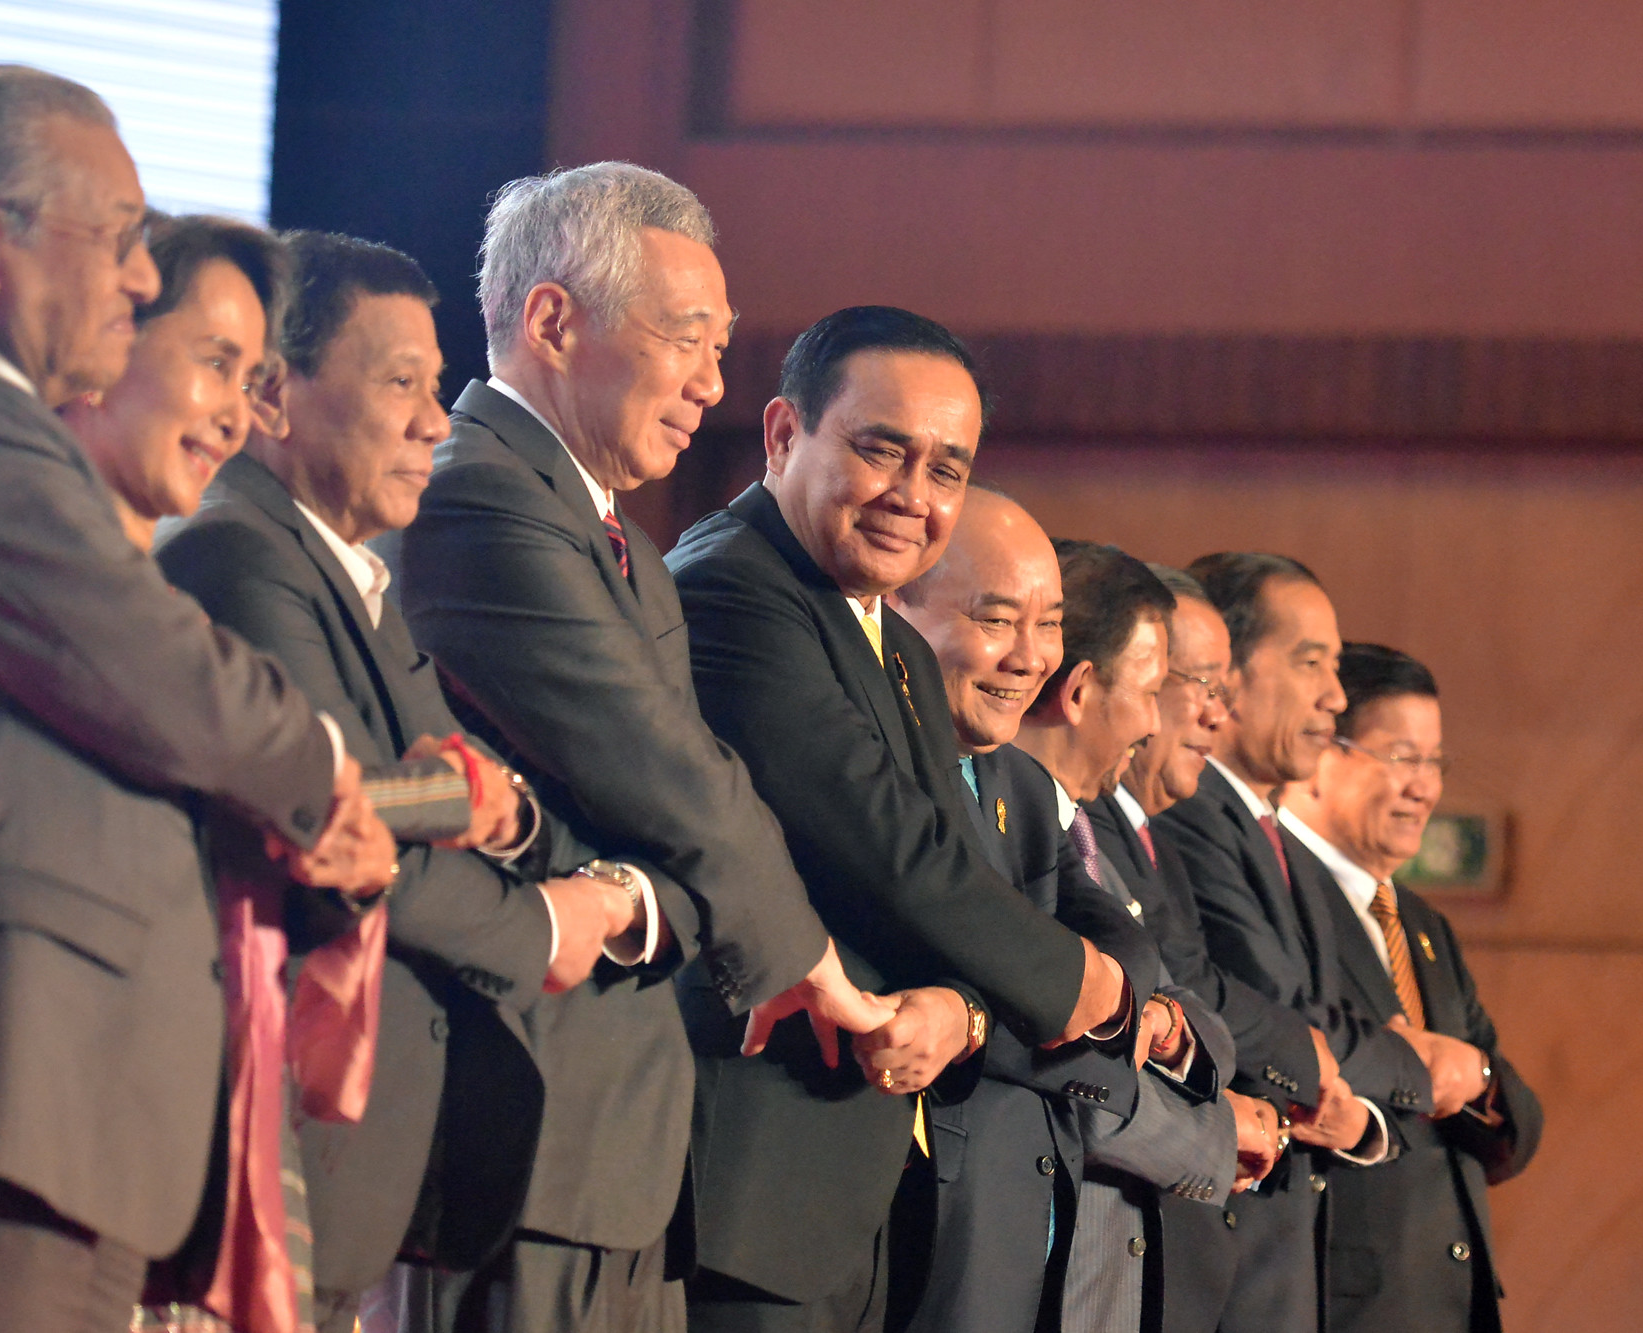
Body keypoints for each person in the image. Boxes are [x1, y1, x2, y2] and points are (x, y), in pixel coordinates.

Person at [0, 66, 392, 1333]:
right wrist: (327, 775)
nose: (140, 275)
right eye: (111, 237)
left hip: (40, 1134)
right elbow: (162, 671)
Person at [390, 163, 891, 1333]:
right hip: (512, 1131)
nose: (710, 386)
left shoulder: (611, 532)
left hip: (615, 1145)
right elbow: (662, 770)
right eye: (687, 341)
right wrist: (801, 955)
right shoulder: (473, 498)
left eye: (722, 351)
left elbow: (670, 788)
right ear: (552, 320)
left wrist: (649, 887)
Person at [155, 232, 648, 1330]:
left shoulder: (351, 574)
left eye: (437, 386)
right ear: (274, 395)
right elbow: (352, 827)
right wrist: (545, 922)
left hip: (341, 1163)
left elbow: (470, 792)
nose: (436, 419)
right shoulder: (236, 556)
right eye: (401, 385)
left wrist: (497, 808)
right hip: (253, 1135)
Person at [666, 306, 1141, 1331]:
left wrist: (965, 1013)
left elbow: (956, 871)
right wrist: (1079, 987)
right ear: (782, 434)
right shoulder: (728, 591)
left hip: (866, 1188)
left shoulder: (887, 638)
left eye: (946, 468)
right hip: (751, 1189)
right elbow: (893, 854)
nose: (913, 498)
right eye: (880, 451)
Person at [883, 493, 1172, 1333]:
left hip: (1032, 1239)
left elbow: (1127, 944)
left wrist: (982, 1012)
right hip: (922, 1235)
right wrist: (1081, 1010)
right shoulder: (876, 776)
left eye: (1048, 625)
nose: (1030, 657)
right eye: (997, 619)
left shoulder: (1022, 785)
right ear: (895, 607)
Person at [1009, 539, 1283, 1333]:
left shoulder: (1091, 839)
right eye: (1158, 688)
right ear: (1084, 686)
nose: (1163, 717)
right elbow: (1066, 1072)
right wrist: (1215, 1134)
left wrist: (1161, 1024)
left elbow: (1205, 1026)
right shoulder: (1005, 830)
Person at [1156, 554, 1434, 1333]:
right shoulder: (1186, 815)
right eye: (1311, 663)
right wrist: (1417, 1065)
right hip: (1221, 1266)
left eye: (1336, 668)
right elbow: (1271, 1006)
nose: (1336, 698)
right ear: (1228, 675)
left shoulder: (1274, 834)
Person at [1279, 644, 1543, 1333]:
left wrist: (1475, 1074)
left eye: (1433, 762)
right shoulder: (1276, 897)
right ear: (1323, 752)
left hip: (1449, 1298)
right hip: (1338, 1299)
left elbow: (1517, 1107)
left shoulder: (1422, 924)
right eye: (1400, 757)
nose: (1424, 786)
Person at [1099, 564, 1327, 1333]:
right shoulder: (1073, 824)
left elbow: (1194, 1006)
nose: (1216, 712)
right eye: (1198, 681)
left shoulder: (1152, 833)